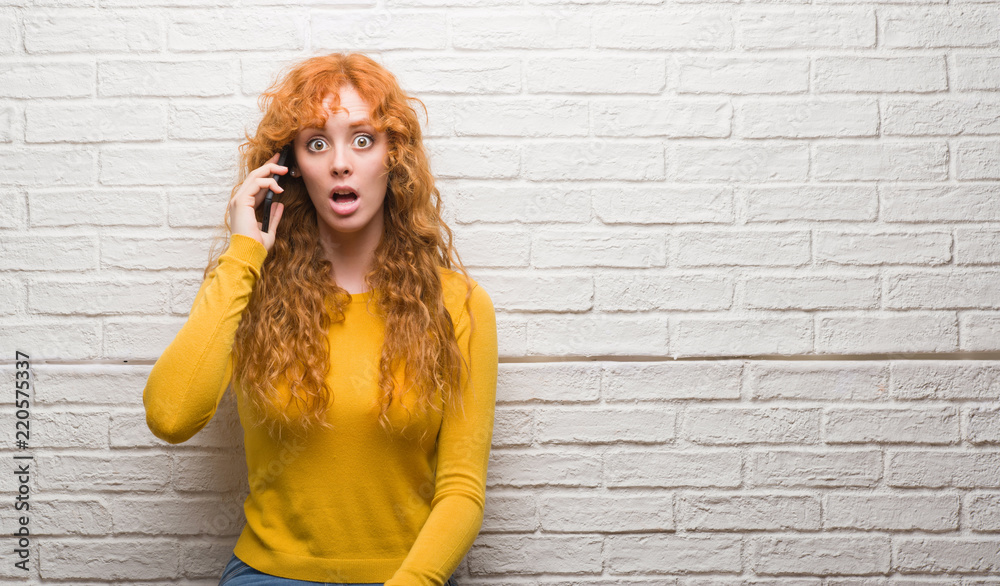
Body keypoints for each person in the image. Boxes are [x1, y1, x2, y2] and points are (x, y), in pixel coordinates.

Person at [142, 53, 498, 586]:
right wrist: (244, 252)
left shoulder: (460, 305)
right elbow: (171, 418)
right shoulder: (251, 290)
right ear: (290, 166)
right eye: (316, 143)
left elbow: (461, 489)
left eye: (362, 139)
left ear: (393, 157)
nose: (339, 163)